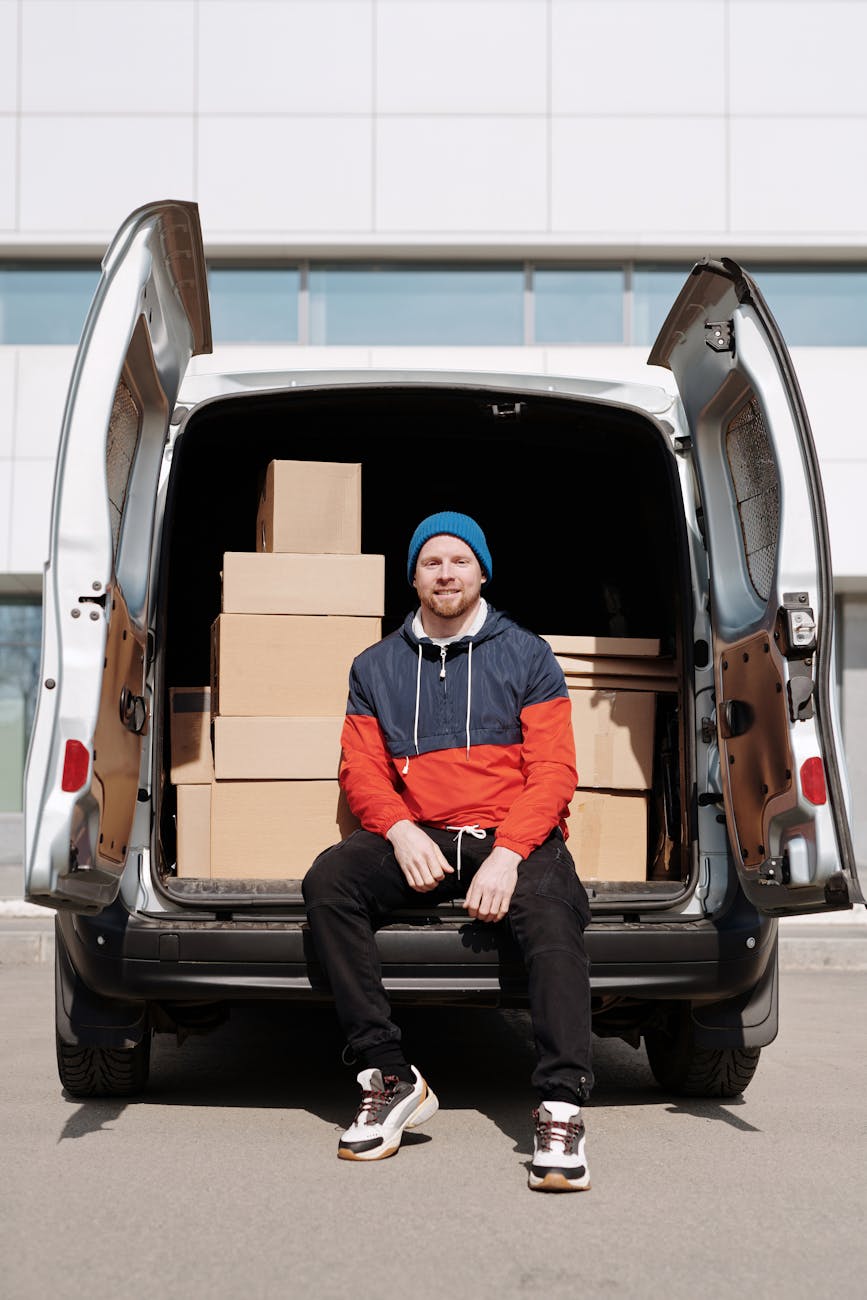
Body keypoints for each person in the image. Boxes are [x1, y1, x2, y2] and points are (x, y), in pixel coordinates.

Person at [302, 511, 594, 1192]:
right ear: (413, 577)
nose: (445, 573)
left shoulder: (527, 654)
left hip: (509, 833)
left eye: (459, 560)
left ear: (481, 571)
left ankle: (560, 1106)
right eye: (431, 562)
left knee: (553, 915)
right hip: (422, 832)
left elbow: (553, 771)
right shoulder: (374, 666)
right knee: (330, 882)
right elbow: (361, 770)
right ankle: (388, 1076)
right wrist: (399, 831)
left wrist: (509, 852)